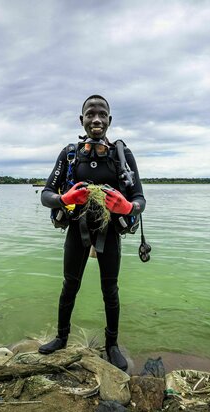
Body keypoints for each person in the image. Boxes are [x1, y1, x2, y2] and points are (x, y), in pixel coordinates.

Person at [39, 95, 146, 371]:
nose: (96, 119)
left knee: (110, 290)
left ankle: (112, 346)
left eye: (102, 114)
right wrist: (65, 199)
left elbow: (140, 200)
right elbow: (47, 195)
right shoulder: (70, 154)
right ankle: (61, 338)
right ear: (82, 119)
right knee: (69, 286)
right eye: (90, 114)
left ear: (109, 120)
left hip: (110, 233)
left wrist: (126, 206)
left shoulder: (121, 155)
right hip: (77, 229)